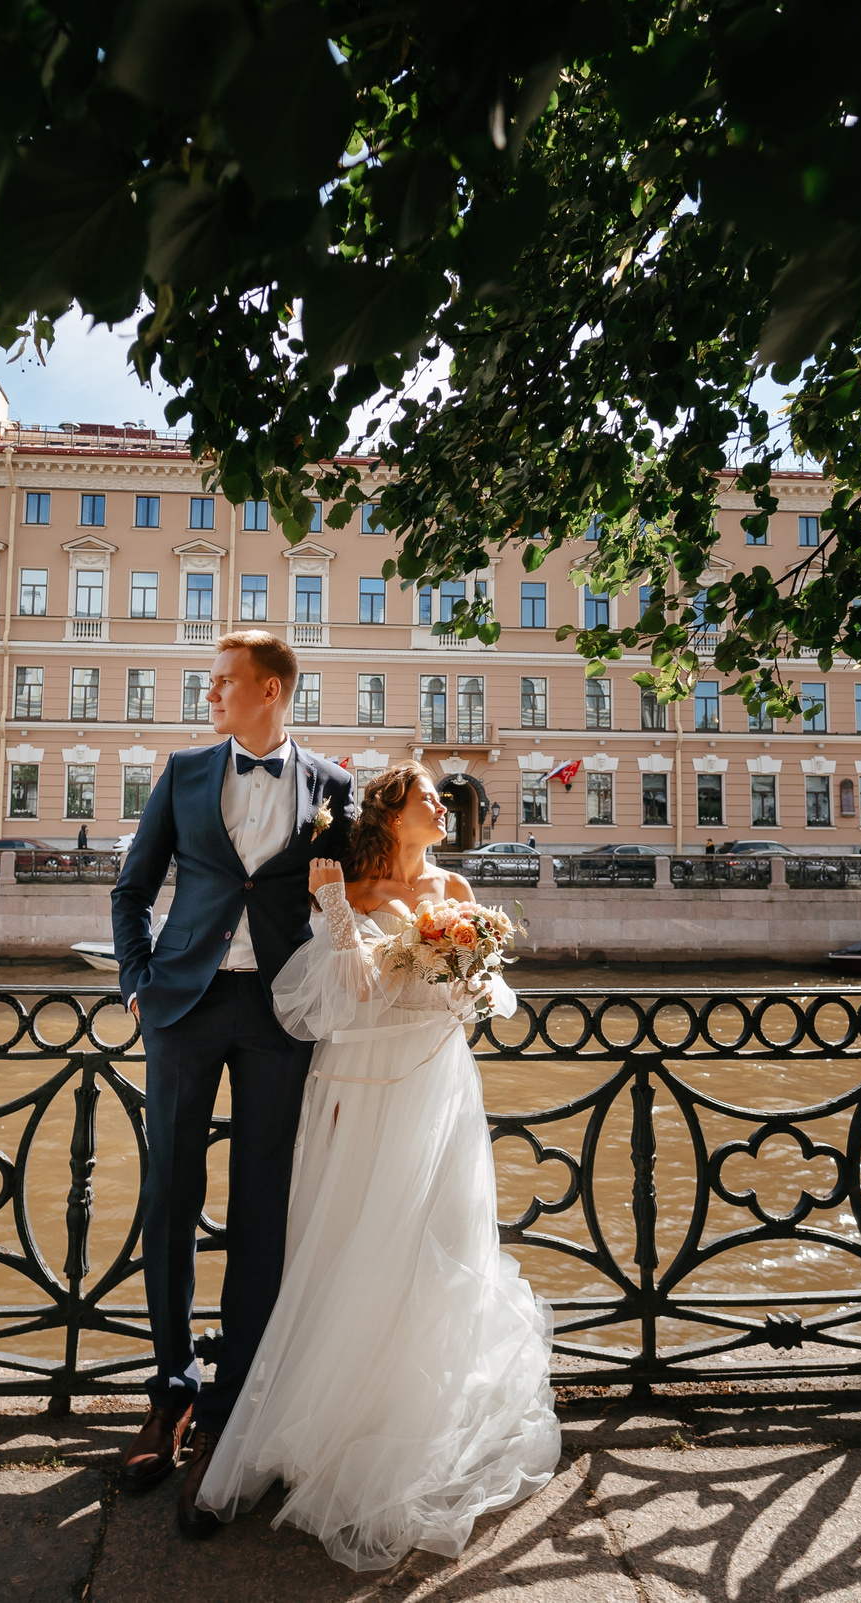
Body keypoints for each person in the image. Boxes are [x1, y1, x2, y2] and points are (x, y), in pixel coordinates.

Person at [196, 764, 558, 1568]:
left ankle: (416, 1427)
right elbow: (337, 995)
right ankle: (327, 1422)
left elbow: (484, 999)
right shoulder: (349, 882)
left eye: (442, 799)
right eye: (429, 795)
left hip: (436, 1082)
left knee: (438, 1243)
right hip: (358, 1088)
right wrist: (332, 908)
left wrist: (464, 972)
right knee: (350, 1241)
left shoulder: (458, 886)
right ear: (392, 809)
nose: (443, 805)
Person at [110, 631, 356, 1534]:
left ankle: (232, 1413)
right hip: (183, 1005)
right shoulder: (180, 771)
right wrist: (136, 983)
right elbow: (130, 890)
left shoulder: (333, 785)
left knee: (264, 1210)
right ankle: (169, 1394)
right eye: (210, 682)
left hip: (281, 1019)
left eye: (223, 682)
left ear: (273, 689)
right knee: (169, 1193)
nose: (209, 693)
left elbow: (352, 898)